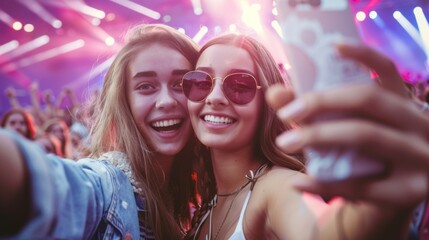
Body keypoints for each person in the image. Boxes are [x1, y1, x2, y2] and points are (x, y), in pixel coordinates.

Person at [183, 34, 427, 240]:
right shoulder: (208, 200)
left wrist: (371, 214)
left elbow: (320, 230)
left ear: (267, 101)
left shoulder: (277, 186)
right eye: (201, 82)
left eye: (240, 85)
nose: (214, 97)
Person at [0, 23, 199, 239]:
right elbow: (51, 187)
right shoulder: (105, 186)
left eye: (180, 83)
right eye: (145, 86)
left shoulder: (193, 199)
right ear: (125, 103)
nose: (166, 101)